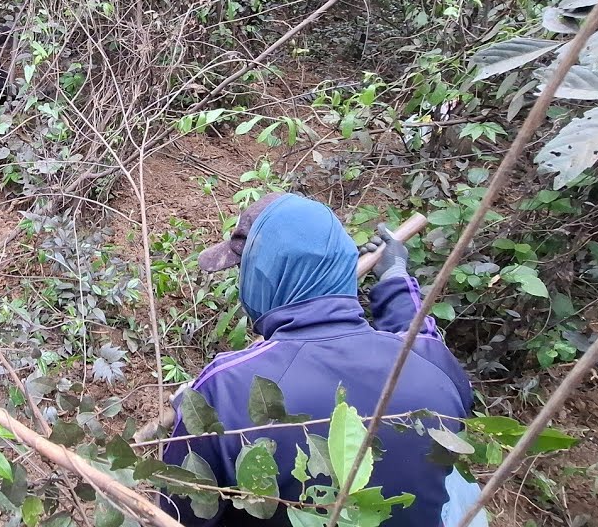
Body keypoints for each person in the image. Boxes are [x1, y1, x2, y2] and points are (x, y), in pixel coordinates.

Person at [159, 193, 483, 527]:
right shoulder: (432, 359)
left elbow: (175, 514)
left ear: (262, 275)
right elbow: (419, 340)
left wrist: (195, 421)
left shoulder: (225, 388)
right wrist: (395, 277)